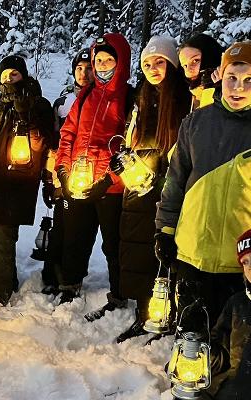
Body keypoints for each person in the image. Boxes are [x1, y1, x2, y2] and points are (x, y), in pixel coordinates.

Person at [155, 42, 251, 333]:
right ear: (220, 75)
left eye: (248, 80)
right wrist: (165, 231)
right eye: (231, 77)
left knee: (232, 350)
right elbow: (175, 181)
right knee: (190, 337)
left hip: (239, 265)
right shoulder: (196, 122)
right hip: (192, 255)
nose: (237, 88)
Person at [112, 36, 190, 342]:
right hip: (137, 188)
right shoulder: (141, 98)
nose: (153, 68)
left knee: (163, 255)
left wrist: (161, 179)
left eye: (160, 62)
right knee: (138, 252)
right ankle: (142, 315)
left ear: (172, 64)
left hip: (167, 189)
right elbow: (131, 139)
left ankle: (163, 315)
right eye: (147, 63)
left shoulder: (183, 99)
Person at [54, 33, 134, 319]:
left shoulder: (128, 97)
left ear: (120, 61)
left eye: (108, 60)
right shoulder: (86, 95)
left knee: (113, 243)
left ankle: (119, 294)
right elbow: (68, 134)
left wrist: (108, 180)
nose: (101, 65)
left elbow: (130, 147)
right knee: (75, 237)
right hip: (78, 180)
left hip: (110, 187)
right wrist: (62, 169)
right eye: (98, 60)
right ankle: (70, 284)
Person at [0, 54, 53, 306]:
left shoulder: (37, 104)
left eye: (15, 74)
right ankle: (7, 282)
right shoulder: (0, 108)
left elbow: (44, 140)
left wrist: (25, 113)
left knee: (2, 236)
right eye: (5, 75)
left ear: (24, 75)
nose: (9, 78)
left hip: (16, 183)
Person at [40, 47, 93, 296]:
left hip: (91, 178)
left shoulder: (102, 99)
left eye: (88, 68)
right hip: (63, 176)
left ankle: (71, 280)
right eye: (79, 69)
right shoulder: (63, 102)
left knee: (79, 233)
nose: (83, 73)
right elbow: (54, 145)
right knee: (61, 229)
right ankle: (52, 276)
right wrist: (49, 179)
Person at [208, 229, 251, 400]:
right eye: (245, 261)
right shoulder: (237, 303)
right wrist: (199, 354)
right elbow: (220, 351)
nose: (250, 268)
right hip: (233, 391)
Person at [178, 33, 223, 111]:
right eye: (185, 65)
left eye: (195, 61)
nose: (189, 70)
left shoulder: (231, 91)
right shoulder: (189, 96)